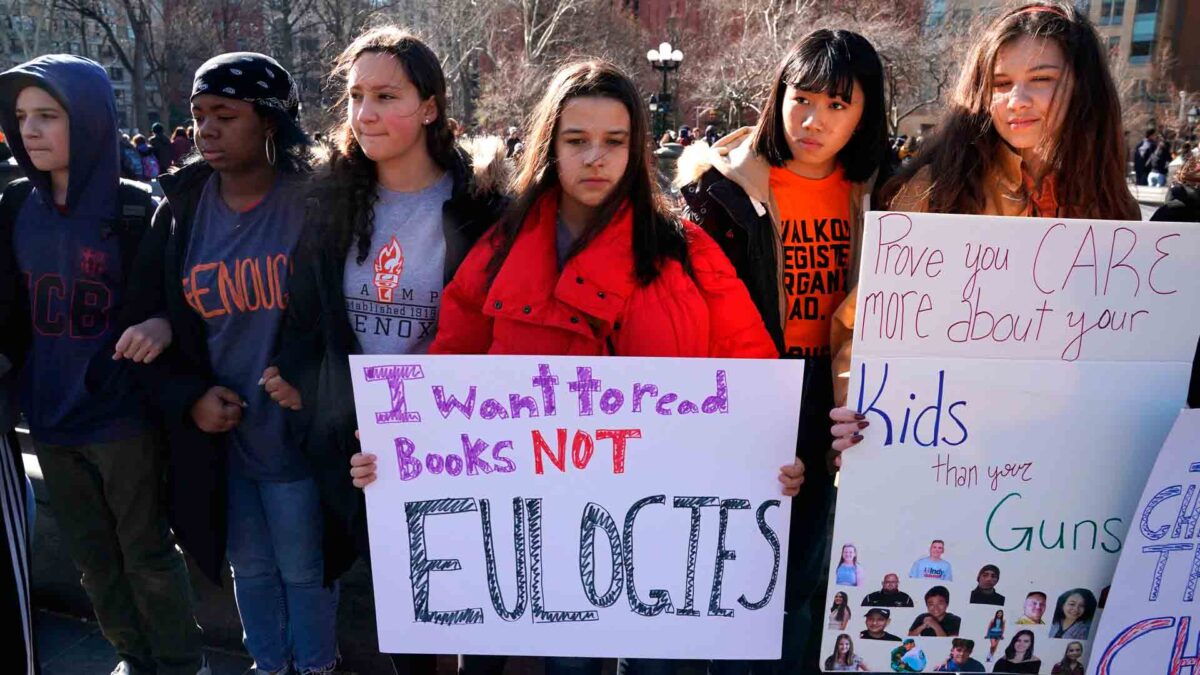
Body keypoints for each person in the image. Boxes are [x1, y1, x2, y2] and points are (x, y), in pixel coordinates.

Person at [425, 57, 796, 675]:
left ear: (637, 149)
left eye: (614, 141)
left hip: (659, 529)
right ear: (550, 144)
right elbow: (450, 372)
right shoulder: (500, 246)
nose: (595, 157)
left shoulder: (685, 247)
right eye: (577, 140)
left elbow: (748, 366)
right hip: (541, 524)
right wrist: (402, 448)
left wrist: (770, 458)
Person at [267, 25, 509, 675]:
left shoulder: (483, 206)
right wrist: (299, 379)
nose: (365, 113)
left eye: (385, 95)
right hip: (366, 449)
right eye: (354, 96)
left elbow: (507, 327)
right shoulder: (330, 201)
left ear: (430, 106)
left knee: (475, 616)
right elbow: (306, 312)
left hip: (465, 444)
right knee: (402, 620)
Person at [827, 1, 1141, 466]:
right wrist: (856, 410)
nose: (1017, 100)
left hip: (1063, 465)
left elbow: (1128, 350)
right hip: (940, 449)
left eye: (1042, 79)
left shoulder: (1111, 207)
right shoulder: (937, 190)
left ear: (1083, 88)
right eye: (1000, 84)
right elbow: (869, 326)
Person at [120, 52, 342, 675]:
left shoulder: (318, 204)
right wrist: (190, 393)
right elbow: (157, 316)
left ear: (270, 121)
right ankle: (267, 666)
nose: (205, 130)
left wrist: (308, 378)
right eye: (197, 116)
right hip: (221, 439)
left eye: (225, 114)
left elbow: (344, 320)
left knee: (306, 570)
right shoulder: (180, 211)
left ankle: (317, 666)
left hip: (297, 438)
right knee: (251, 569)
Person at [675, 29, 889, 672]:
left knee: (810, 567)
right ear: (778, 96)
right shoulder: (722, 192)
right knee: (734, 560)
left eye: (836, 105)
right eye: (801, 98)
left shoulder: (884, 195)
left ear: (864, 113)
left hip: (842, 390)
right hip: (751, 385)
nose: (812, 120)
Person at [0, 54, 205, 675]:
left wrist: (163, 324)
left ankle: (177, 661)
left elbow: (182, 302)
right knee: (92, 558)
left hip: (123, 417)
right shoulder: (11, 208)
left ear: (87, 120)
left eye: (47, 115)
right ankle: (131, 655)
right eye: (20, 117)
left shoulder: (141, 207)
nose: (29, 131)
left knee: (145, 550)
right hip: (50, 418)